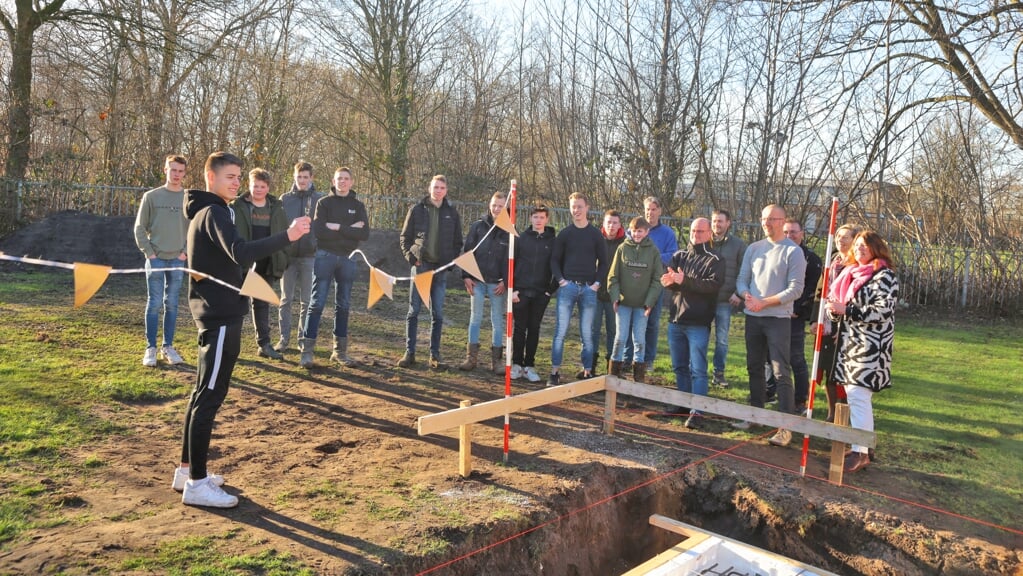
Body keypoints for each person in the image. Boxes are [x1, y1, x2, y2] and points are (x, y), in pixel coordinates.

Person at [175, 151, 311, 508]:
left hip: (217, 311)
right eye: (230, 177)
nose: (236, 183)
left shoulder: (212, 211)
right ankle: (197, 484)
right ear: (210, 177)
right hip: (219, 315)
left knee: (201, 393)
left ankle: (187, 470)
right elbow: (241, 252)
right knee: (209, 397)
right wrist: (289, 235)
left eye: (238, 177)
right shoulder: (214, 212)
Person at [733, 204, 806, 447]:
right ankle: (756, 415)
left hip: (777, 320)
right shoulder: (754, 248)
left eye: (772, 219)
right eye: (764, 218)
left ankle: (785, 427)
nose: (767, 223)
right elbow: (742, 280)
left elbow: (795, 289)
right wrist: (747, 297)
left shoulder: (793, 252)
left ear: (782, 221)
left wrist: (765, 302)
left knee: (780, 371)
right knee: (754, 366)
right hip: (753, 316)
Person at [825, 230, 898, 473]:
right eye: (857, 246)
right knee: (856, 395)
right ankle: (864, 444)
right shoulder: (850, 272)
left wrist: (847, 310)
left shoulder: (884, 276)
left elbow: (882, 311)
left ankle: (861, 451)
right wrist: (834, 311)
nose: (859, 250)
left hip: (870, 346)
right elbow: (835, 303)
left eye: (864, 246)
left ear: (876, 248)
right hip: (849, 344)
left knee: (857, 395)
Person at [652, 217, 724, 428]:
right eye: (694, 231)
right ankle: (683, 404)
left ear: (709, 233)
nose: (696, 235)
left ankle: (698, 410)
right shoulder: (679, 255)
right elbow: (672, 280)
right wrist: (669, 283)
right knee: (679, 366)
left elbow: (712, 286)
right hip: (676, 319)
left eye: (701, 231)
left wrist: (684, 281)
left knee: (698, 369)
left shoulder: (715, 260)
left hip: (698, 322)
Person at [300, 167, 370, 368]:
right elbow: (320, 231)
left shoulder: (358, 206)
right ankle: (307, 352)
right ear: (334, 180)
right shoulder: (324, 203)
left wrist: (337, 227)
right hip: (324, 256)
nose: (343, 181)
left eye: (346, 178)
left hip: (348, 258)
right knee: (317, 303)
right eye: (339, 178)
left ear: (352, 182)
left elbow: (364, 234)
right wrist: (350, 229)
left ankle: (339, 352)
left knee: (344, 305)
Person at [398, 175, 463, 369]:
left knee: (438, 314)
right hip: (421, 267)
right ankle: (409, 353)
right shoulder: (417, 210)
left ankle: (435, 355)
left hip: (440, 269)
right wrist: (412, 258)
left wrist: (449, 263)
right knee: (414, 311)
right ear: (429, 188)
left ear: (446, 190)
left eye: (442, 187)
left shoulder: (452, 213)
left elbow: (458, 241)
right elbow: (405, 238)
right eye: (435, 187)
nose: (438, 190)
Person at [134, 154, 189, 367]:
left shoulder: (187, 197)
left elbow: (194, 228)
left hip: (178, 259)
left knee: (172, 304)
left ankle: (168, 346)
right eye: (173, 170)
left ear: (184, 173)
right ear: (165, 170)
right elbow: (139, 227)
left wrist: (184, 252)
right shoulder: (152, 197)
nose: (176, 175)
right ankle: (151, 348)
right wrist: (149, 252)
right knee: (154, 302)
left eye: (180, 171)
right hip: (155, 259)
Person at [548, 192, 608, 386]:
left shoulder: (596, 235)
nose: (576, 210)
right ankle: (555, 372)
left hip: (589, 290)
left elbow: (605, 263)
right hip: (568, 288)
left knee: (587, 334)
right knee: (561, 331)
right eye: (573, 207)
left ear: (587, 208)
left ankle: (587, 372)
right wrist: (561, 281)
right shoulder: (565, 233)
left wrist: (597, 284)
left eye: (579, 206)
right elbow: (554, 260)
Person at [230, 168, 289, 360]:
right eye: (255, 185)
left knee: (261, 305)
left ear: (268, 187)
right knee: (236, 305)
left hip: (267, 264)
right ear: (249, 184)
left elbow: (284, 235)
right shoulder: (237, 206)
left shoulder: (276, 208)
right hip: (242, 263)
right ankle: (230, 346)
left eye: (263, 186)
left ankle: (264, 344)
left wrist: (282, 258)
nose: (258, 189)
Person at [623, 197, 678, 372]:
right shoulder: (632, 230)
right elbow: (626, 251)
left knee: (652, 323)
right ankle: (628, 358)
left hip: (656, 283)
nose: (650, 212)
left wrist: (652, 259)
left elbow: (672, 255)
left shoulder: (667, 233)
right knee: (630, 320)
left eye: (654, 209)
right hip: (633, 283)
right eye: (647, 209)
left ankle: (648, 360)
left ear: (660, 211)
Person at [774, 218, 823, 412]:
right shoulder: (775, 253)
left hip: (794, 316)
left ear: (802, 233)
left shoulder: (811, 259)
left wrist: (798, 310)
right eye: (785, 232)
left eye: (793, 232)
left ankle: (801, 399)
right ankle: (773, 393)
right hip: (774, 313)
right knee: (772, 356)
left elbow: (812, 289)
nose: (789, 236)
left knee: (796, 357)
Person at [607, 217, 664, 383]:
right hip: (623, 303)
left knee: (639, 340)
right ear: (629, 231)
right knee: (620, 338)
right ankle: (614, 375)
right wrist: (615, 296)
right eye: (634, 230)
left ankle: (639, 377)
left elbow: (657, 279)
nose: (637, 234)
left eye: (640, 231)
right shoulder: (622, 248)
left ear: (646, 232)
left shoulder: (653, 251)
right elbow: (613, 276)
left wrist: (650, 302)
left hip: (642, 305)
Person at [459, 191, 510, 374]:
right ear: (489, 205)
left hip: (497, 284)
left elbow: (511, 259)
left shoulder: (509, 231)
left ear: (506, 207)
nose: (496, 209)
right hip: (477, 281)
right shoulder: (478, 227)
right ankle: (471, 358)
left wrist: (506, 281)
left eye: (501, 206)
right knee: (475, 318)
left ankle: (496, 361)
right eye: (494, 205)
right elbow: (467, 252)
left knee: (497, 320)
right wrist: (466, 276)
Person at [814, 223, 860, 422]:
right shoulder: (832, 261)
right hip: (827, 323)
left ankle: (845, 416)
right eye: (838, 236)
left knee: (841, 375)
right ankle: (832, 413)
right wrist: (816, 320)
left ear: (855, 240)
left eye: (846, 237)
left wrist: (842, 327)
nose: (840, 240)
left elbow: (854, 299)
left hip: (846, 327)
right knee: (827, 371)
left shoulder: (857, 267)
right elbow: (820, 293)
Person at [276, 161, 323, 352]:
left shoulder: (320, 199)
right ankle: (283, 339)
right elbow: (279, 226)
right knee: (286, 300)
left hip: (310, 257)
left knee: (306, 301)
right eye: (299, 177)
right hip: (288, 257)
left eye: (306, 177)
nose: (302, 180)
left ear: (311, 178)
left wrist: (316, 245)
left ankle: (303, 340)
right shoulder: (285, 199)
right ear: (294, 177)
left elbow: (321, 228)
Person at [511, 205, 557, 383]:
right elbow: (511, 264)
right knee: (519, 328)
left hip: (540, 293)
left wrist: (549, 290)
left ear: (547, 219)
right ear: (530, 218)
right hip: (520, 292)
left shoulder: (553, 241)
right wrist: (513, 289)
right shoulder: (521, 238)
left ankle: (529, 365)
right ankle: (517, 364)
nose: (538, 220)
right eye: (535, 216)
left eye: (542, 217)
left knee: (534, 328)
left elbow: (557, 264)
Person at [708, 209, 746, 387]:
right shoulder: (704, 242)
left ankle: (718, 374)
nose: (717, 224)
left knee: (721, 340)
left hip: (725, 300)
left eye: (720, 221)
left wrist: (738, 293)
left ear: (728, 223)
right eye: (714, 221)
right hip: (703, 300)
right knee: (699, 337)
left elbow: (745, 272)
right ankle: (697, 371)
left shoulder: (738, 245)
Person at [584, 210, 625, 378]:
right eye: (609, 222)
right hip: (594, 292)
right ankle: (589, 367)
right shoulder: (594, 239)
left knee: (613, 331)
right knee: (592, 330)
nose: (611, 226)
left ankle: (612, 369)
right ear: (603, 223)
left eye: (615, 223)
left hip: (614, 295)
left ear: (620, 224)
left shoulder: (625, 243)